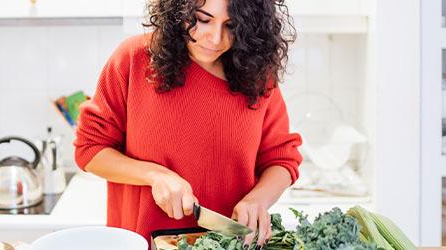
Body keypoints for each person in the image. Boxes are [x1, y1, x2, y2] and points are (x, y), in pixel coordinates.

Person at [73, 0, 301, 247]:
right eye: (203, 20)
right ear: (178, 10)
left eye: (232, 25)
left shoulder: (258, 78)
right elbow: (90, 149)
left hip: (232, 243)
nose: (215, 39)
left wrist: (259, 199)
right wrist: (154, 175)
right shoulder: (134, 59)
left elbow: (281, 159)